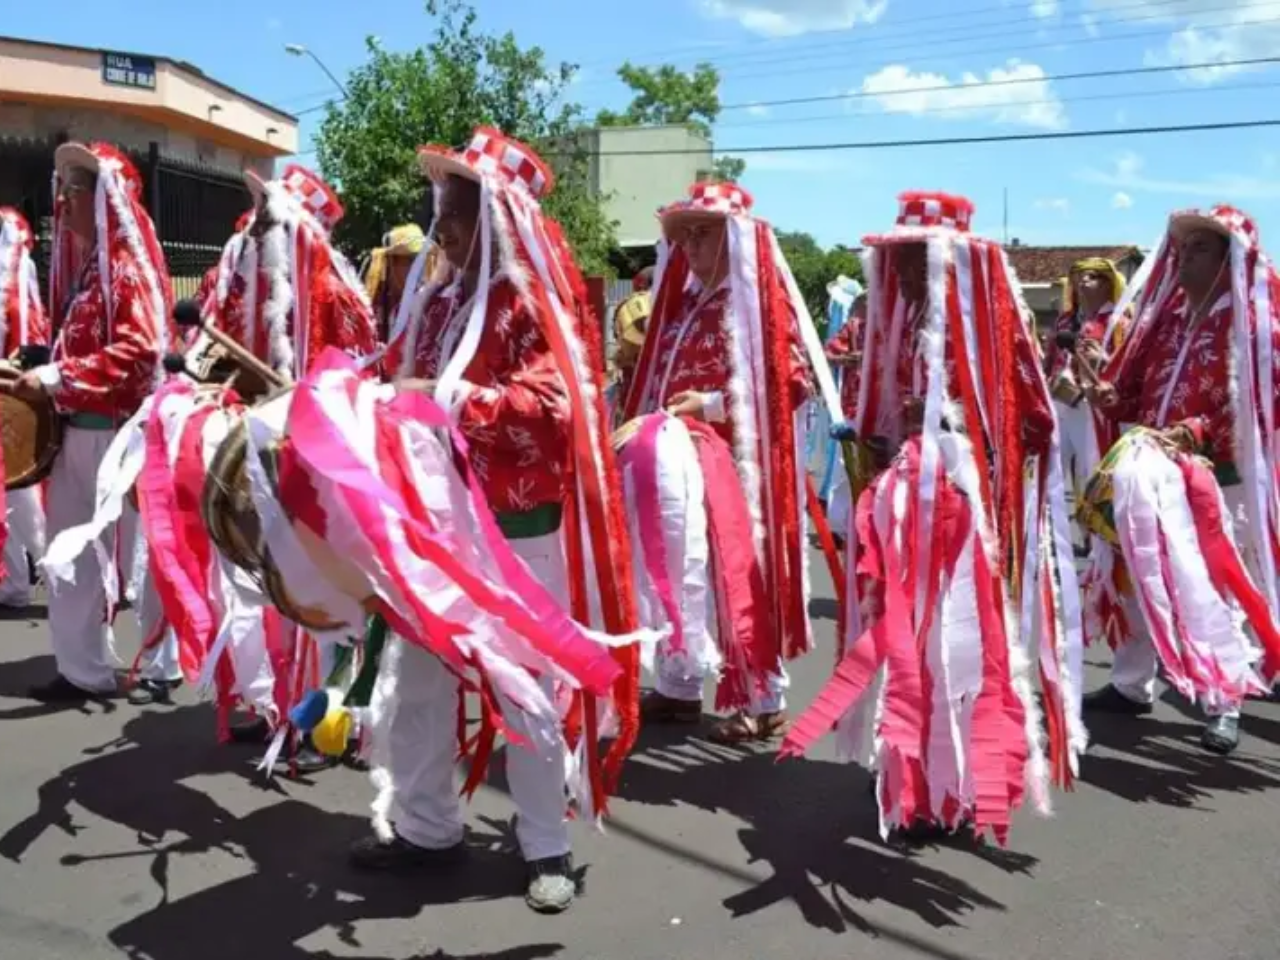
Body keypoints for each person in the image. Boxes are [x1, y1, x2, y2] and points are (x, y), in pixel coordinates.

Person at [355, 127, 641, 915]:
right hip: (431, 533)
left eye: (457, 206)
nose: (441, 221)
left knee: (525, 694)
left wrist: (438, 400)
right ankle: (424, 827)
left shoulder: (533, 302)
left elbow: (551, 412)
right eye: (441, 203)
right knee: (415, 684)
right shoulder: (437, 298)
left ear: (498, 216)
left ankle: (546, 844)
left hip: (513, 537)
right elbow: (395, 377)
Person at [784, 192, 1084, 844]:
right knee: (903, 638)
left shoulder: (998, 329)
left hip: (962, 511)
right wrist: (875, 446)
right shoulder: (893, 320)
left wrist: (964, 454)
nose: (912, 269)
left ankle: (959, 783)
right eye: (901, 257)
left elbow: (1033, 422)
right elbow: (878, 407)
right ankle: (906, 772)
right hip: (899, 507)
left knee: (961, 645)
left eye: (923, 256)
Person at [619, 181, 823, 744]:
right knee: (678, 570)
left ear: (734, 240)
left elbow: (793, 383)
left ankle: (763, 697)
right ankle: (680, 683)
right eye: (684, 237)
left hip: (738, 467)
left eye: (703, 236)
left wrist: (709, 405)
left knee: (738, 576)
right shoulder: (681, 304)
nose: (692, 248)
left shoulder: (758, 301)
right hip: (675, 462)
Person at [1083, 204, 1280, 755]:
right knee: (1134, 576)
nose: (1185, 257)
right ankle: (1131, 684)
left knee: (1218, 583)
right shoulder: (1163, 319)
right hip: (1151, 470)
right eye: (1184, 248)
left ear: (1228, 261)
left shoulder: (1255, 324)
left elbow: (1265, 404)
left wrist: (1197, 430)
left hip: (1218, 475)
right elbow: (1135, 387)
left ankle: (1224, 700)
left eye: (1201, 249)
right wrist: (1110, 394)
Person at [1, 142, 178, 703]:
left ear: (105, 197)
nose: (61, 202)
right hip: (78, 432)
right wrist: (36, 361)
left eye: (73, 189)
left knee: (149, 555)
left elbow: (139, 352)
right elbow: (76, 346)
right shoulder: (87, 271)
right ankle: (83, 670)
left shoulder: (127, 270)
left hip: (123, 435)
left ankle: (162, 664)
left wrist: (55, 378)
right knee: (67, 551)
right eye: (62, 189)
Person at [1043, 258, 1127, 554]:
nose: (1084, 282)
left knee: (1091, 471)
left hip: (1092, 408)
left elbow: (1125, 365)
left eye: (1093, 277)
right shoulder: (1065, 320)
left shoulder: (1118, 321)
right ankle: (1048, 537)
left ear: (1109, 284)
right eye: (1079, 276)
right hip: (1060, 402)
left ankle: (1096, 539)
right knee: (1052, 466)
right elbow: (1051, 356)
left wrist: (1101, 362)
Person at [0, 207, 50, 607]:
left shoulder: (21, 279)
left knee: (20, 495)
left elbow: (31, 334)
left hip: (10, 400)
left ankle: (57, 570)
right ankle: (14, 584)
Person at [822, 282, 867, 543]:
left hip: (879, 408)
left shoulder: (890, 327)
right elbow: (829, 352)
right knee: (843, 465)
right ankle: (840, 527)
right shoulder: (853, 328)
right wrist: (850, 358)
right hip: (852, 404)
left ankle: (865, 525)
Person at [362, 223, 436, 343]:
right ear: (391, 262)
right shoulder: (375, 303)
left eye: (422, 260)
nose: (418, 268)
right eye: (411, 259)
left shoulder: (431, 303)